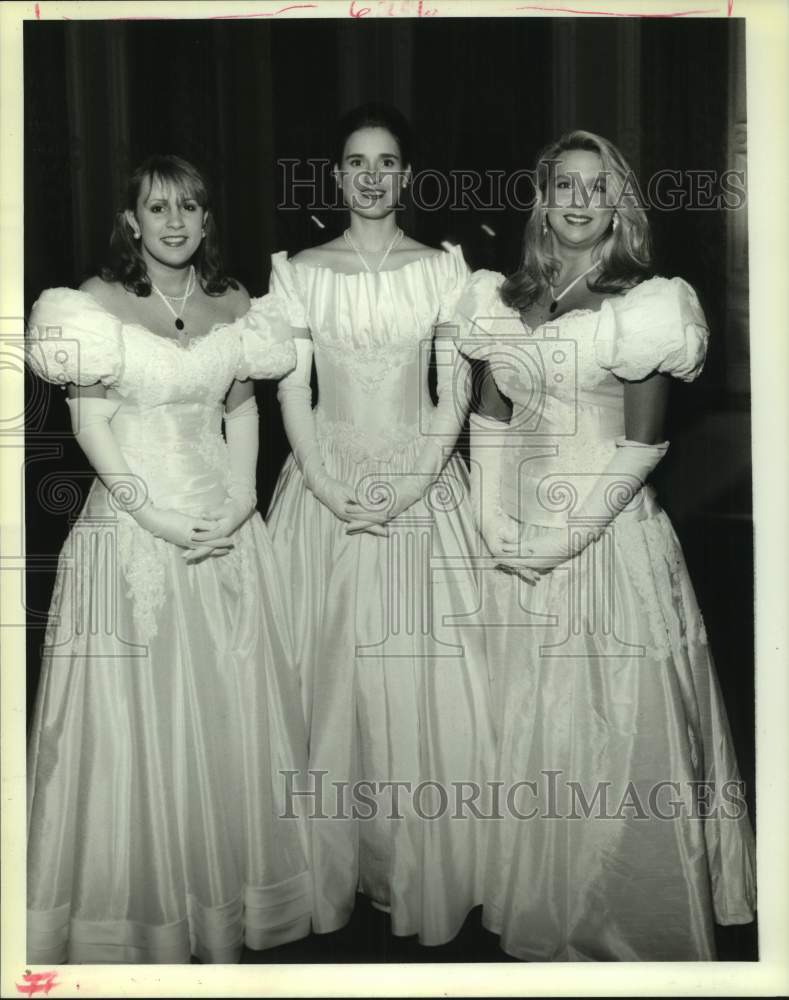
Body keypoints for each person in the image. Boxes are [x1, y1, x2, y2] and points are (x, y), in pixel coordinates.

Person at [454, 130, 756, 961]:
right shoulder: (501, 301)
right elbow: (488, 418)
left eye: (595, 188)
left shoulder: (643, 304)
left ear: (616, 202)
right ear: (542, 200)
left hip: (606, 541)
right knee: (528, 728)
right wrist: (492, 525)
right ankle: (540, 903)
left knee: (615, 735)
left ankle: (625, 925)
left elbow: (641, 446)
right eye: (563, 186)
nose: (578, 201)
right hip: (514, 545)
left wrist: (560, 542)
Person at [25, 154, 311, 964]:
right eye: (157, 210)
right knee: (139, 725)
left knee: (229, 714)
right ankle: (144, 913)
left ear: (207, 218)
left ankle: (230, 899)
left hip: (225, 532)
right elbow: (91, 425)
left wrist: (243, 501)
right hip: (133, 534)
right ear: (131, 222)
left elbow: (243, 407)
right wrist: (150, 513)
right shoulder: (90, 308)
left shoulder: (234, 304)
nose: (175, 222)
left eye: (189, 206)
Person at [266, 103, 496, 945]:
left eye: (387, 162)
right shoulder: (296, 271)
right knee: (320, 683)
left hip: (420, 488)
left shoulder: (444, 269)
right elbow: (292, 388)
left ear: (406, 176)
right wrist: (328, 487)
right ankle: (320, 870)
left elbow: (454, 390)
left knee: (418, 683)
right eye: (356, 162)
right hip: (321, 494)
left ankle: (420, 865)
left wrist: (410, 484)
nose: (371, 176)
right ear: (336, 176)